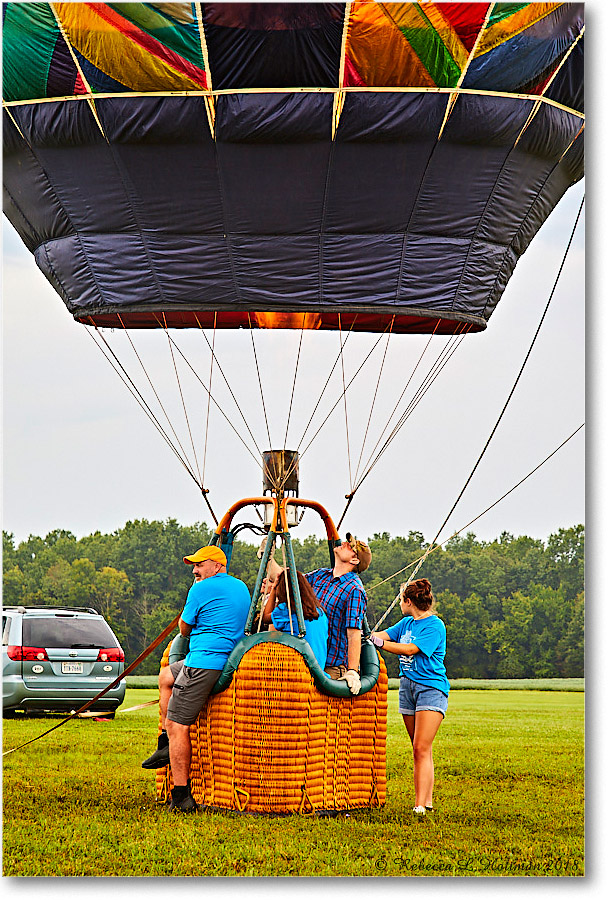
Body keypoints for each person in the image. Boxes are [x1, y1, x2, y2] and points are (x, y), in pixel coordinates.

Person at [141, 545, 250, 813]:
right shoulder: (241, 587)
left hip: (203, 662)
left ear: (217, 566)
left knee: (179, 725)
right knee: (166, 675)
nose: (194, 570)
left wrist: (196, 607)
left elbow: (184, 628)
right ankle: (164, 745)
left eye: (199, 565)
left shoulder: (199, 589)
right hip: (224, 658)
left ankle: (181, 795)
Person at [369, 578, 449, 816]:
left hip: (430, 688)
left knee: (420, 747)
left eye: (401, 599)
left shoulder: (435, 626)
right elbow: (383, 634)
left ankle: (420, 805)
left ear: (409, 601)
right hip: (407, 688)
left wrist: (379, 643)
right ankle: (428, 800)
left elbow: (410, 649)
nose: (399, 604)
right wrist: (367, 634)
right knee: (420, 749)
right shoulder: (406, 623)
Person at [304, 532, 371, 694]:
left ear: (354, 560)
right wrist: (268, 558)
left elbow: (354, 634)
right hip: (309, 660)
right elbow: (289, 581)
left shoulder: (354, 589)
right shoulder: (321, 575)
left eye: (350, 546)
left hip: (331, 668)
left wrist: (353, 671)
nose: (344, 543)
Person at [261, 569, 329, 668]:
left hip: (299, 670)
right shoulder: (320, 612)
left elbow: (265, 617)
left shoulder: (286, 610)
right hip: (318, 671)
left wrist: (274, 589)